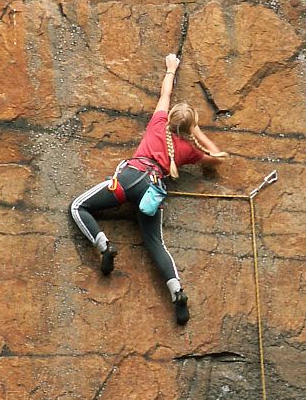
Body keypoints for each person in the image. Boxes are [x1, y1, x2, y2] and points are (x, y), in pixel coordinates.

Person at [70, 53, 228, 324]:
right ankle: (177, 292)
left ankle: (104, 244)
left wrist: (171, 68)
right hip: (152, 192)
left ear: (169, 120)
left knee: (78, 206)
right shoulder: (188, 149)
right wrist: (198, 131)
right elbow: (217, 156)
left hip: (130, 179)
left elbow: (165, 94)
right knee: (155, 244)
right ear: (188, 128)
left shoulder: (157, 124)